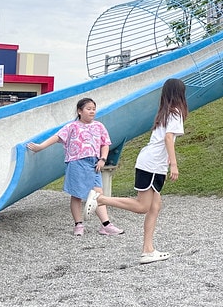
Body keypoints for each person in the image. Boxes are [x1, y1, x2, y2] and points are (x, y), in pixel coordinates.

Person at [85, 78, 187, 264]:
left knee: (155, 206)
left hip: (150, 163)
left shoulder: (165, 113)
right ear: (180, 94)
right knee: (142, 207)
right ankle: (101, 199)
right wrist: (174, 164)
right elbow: (168, 138)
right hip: (153, 165)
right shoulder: (175, 112)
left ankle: (148, 250)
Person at [27, 97, 123, 238]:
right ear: (80, 111)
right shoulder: (72, 126)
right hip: (77, 162)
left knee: (98, 194)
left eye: (93, 109)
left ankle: (106, 225)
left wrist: (103, 159)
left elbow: (105, 144)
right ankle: (78, 224)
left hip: (94, 163)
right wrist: (40, 147)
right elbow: (57, 137)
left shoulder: (99, 126)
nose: (92, 111)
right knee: (76, 195)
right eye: (88, 109)